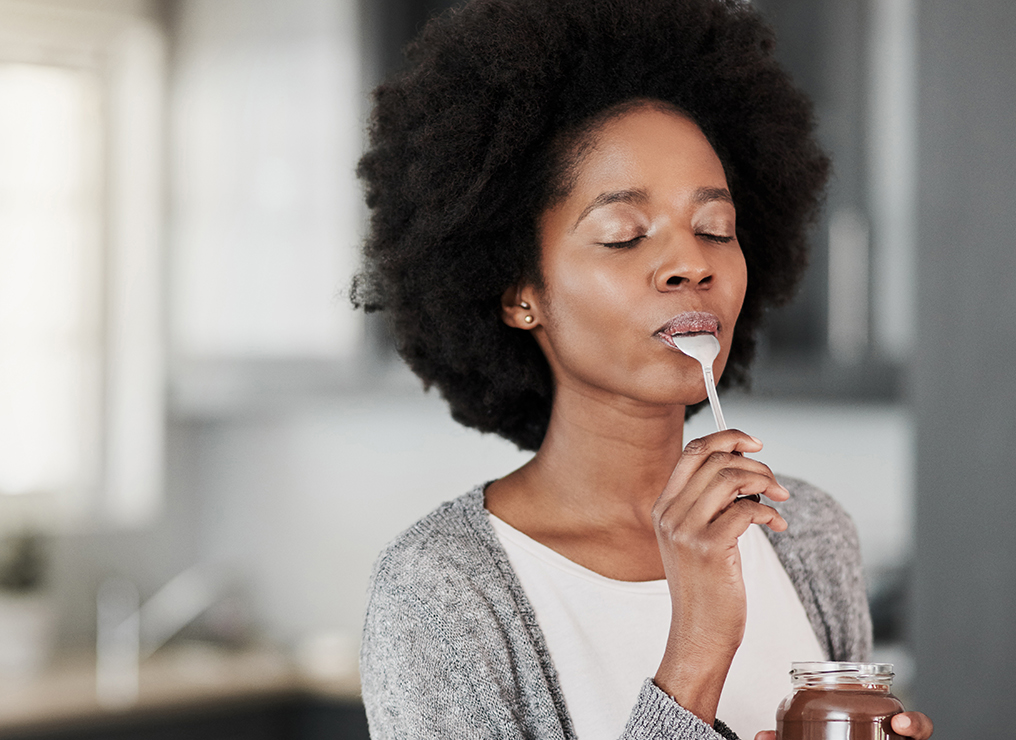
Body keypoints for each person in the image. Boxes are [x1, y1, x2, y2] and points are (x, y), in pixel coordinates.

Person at [350, 1, 934, 738]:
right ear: (519, 293)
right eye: (625, 236)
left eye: (715, 229)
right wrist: (697, 647)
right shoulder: (441, 591)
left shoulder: (807, 534)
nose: (692, 263)